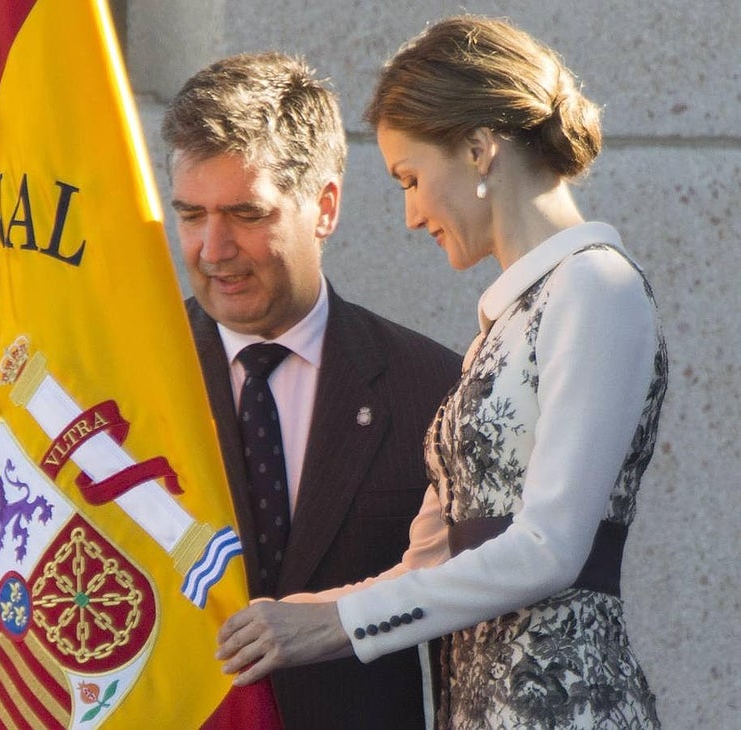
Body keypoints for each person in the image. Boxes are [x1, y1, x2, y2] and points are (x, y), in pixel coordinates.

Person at [215, 15, 667, 730]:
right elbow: (430, 560)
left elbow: (549, 549)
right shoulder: (509, 321)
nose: (410, 213)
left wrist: (341, 625)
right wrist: (305, 616)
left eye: (411, 179)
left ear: (481, 149)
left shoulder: (596, 287)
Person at [161, 52, 462, 728]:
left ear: (323, 206)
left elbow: (464, 635)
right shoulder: (127, 379)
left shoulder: (433, 390)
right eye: (190, 214)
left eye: (244, 213)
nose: (212, 248)